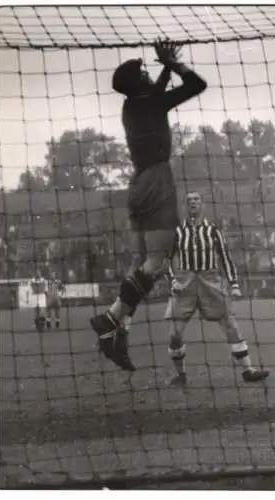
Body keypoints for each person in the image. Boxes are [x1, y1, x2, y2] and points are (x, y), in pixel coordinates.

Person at [90, 39, 207, 371]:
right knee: (157, 260)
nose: (147, 74)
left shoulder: (133, 105)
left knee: (139, 262)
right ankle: (111, 319)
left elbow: (155, 92)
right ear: (136, 82)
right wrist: (173, 64)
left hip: (138, 183)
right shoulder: (151, 103)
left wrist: (166, 68)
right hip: (157, 181)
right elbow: (198, 85)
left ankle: (116, 336)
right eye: (143, 72)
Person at [165, 191, 270, 386]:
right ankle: (181, 375)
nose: (193, 203)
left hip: (211, 281)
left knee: (230, 326)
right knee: (175, 334)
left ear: (202, 204)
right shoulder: (178, 232)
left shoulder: (213, 231)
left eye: (196, 199)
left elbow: (225, 258)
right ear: (184, 206)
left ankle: (248, 371)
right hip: (185, 284)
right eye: (189, 201)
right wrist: (173, 281)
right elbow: (167, 260)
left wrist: (234, 284)